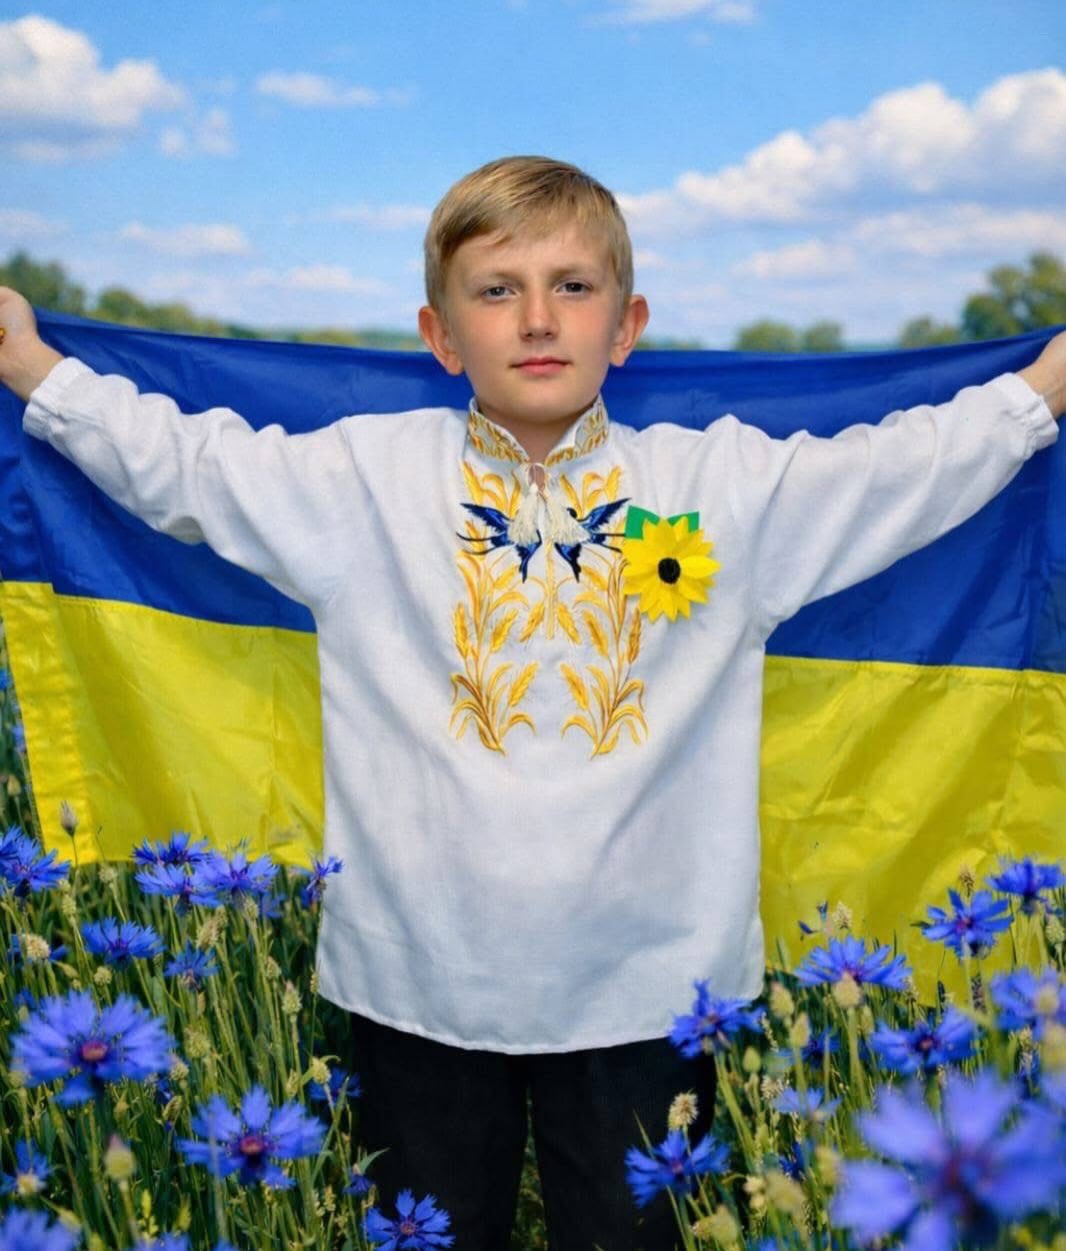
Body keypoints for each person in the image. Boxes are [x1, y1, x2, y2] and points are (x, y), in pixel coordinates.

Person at [0, 155, 1063, 1250]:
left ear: (627, 326)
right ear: (440, 335)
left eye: (573, 286)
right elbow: (188, 463)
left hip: (652, 986)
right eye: (497, 289)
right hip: (418, 978)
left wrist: (1045, 389)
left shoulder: (722, 488)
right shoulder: (361, 480)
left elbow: (895, 471)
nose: (539, 318)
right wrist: (32, 366)